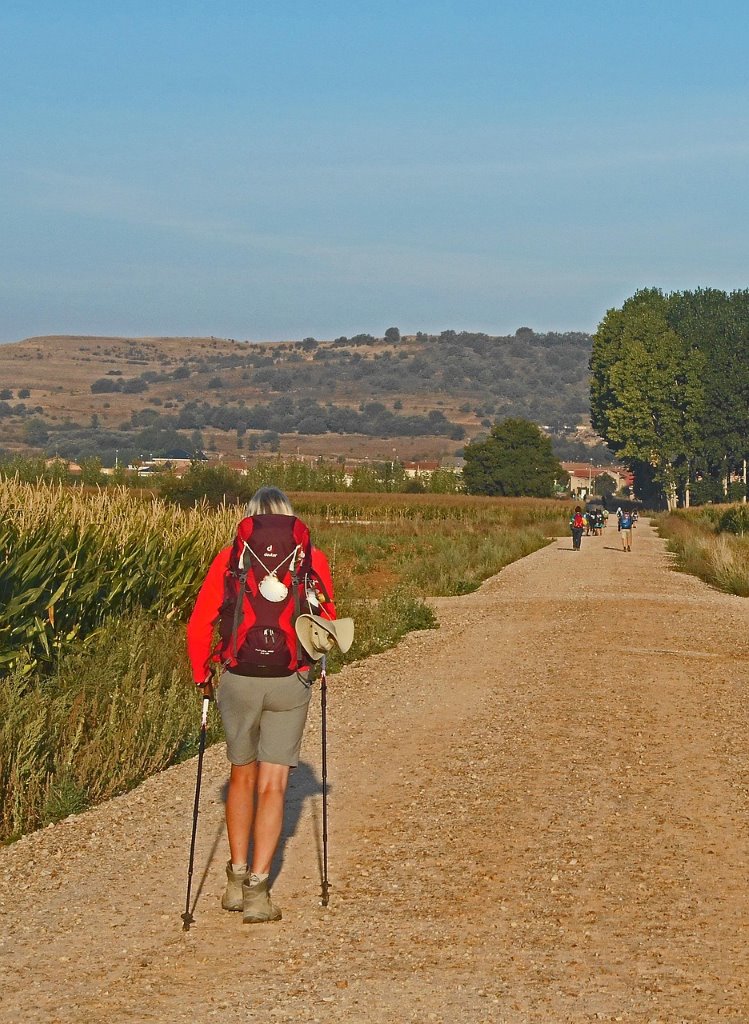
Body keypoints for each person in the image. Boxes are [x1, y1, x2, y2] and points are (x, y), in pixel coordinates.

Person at [187, 486, 338, 924]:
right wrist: (315, 663)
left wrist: (202, 675)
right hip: (289, 681)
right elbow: (326, 621)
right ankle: (258, 892)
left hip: (238, 679)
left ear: (249, 518)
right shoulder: (311, 558)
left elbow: (199, 623)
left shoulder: (230, 558)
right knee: (273, 785)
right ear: (290, 517)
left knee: (241, 775)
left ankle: (235, 880)